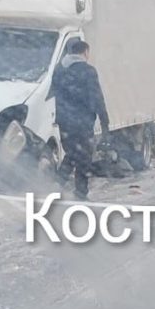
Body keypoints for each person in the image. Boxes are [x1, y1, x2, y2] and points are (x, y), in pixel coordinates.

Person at [50, 40, 110, 200]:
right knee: (83, 156)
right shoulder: (88, 71)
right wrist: (104, 121)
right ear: (85, 52)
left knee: (72, 153)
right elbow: (97, 97)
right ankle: (80, 192)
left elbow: (54, 93)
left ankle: (57, 183)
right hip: (83, 121)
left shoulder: (59, 70)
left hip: (65, 121)